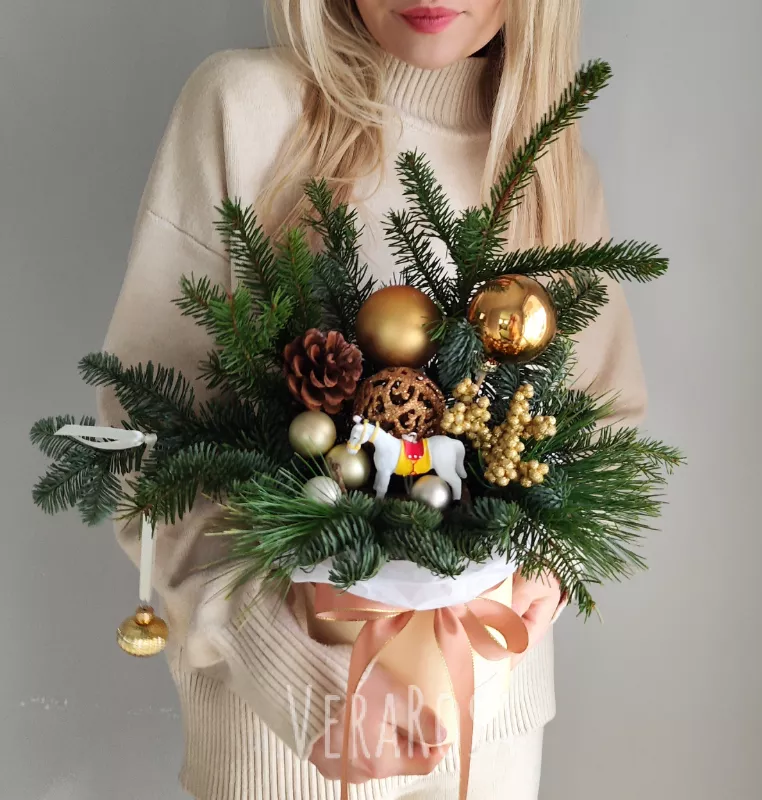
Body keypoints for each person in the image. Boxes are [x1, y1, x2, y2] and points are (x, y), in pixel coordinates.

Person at [97, 1, 647, 798]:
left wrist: (542, 572)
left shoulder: (551, 166)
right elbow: (149, 436)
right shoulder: (247, 110)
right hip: (282, 742)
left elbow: (604, 423)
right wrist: (300, 676)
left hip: (490, 728)